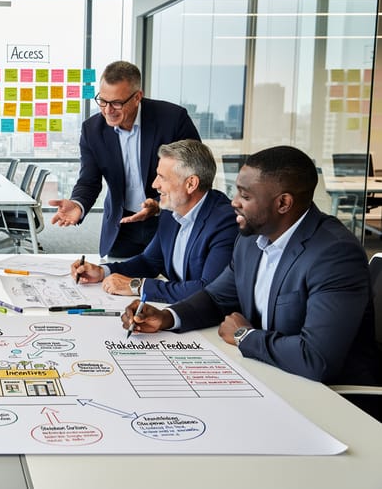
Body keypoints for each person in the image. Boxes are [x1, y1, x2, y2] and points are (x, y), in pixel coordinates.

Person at [123, 145, 381, 388]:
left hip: (330, 395)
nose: (233, 202)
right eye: (236, 191)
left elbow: (316, 359)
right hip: (268, 373)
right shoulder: (250, 240)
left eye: (245, 196)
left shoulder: (334, 254)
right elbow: (216, 298)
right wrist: (167, 317)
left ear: (283, 203)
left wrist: (244, 337)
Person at [49, 60, 201, 258]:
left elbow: (195, 170)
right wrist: (78, 204)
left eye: (116, 103)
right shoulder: (92, 130)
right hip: (121, 225)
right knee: (112, 279)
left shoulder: (172, 119)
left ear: (137, 97)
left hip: (166, 218)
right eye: (102, 101)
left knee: (168, 280)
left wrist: (158, 204)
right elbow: (89, 180)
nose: (108, 110)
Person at [72, 139, 237, 303]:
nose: (154, 185)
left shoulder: (225, 222)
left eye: (162, 177)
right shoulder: (170, 210)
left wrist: (137, 286)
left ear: (191, 183)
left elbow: (209, 290)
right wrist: (102, 272)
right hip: (179, 310)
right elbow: (149, 262)